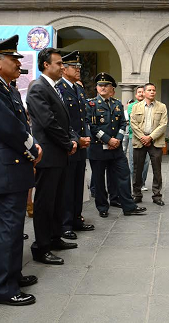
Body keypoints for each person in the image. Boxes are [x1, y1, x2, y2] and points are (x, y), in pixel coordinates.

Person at [0, 35, 42, 306]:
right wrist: (34, 148)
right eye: (14, 59)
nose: (18, 63)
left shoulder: (3, 87)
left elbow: (20, 124)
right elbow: (9, 128)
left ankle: (13, 274)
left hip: (11, 168)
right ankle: (3, 288)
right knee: (8, 230)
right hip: (4, 170)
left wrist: (31, 144)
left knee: (13, 229)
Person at [26, 48, 80, 265]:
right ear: (46, 65)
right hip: (48, 154)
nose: (62, 67)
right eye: (58, 64)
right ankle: (41, 246)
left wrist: (71, 139)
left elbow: (64, 121)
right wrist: (68, 143)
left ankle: (55, 237)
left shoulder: (54, 88)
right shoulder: (38, 88)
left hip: (60, 153)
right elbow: (48, 122)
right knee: (45, 203)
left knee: (58, 200)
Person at [85, 72, 146, 218]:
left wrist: (117, 139)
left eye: (106, 85)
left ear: (112, 88)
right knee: (99, 180)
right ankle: (102, 207)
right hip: (99, 148)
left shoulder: (117, 104)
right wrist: (108, 139)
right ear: (97, 88)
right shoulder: (91, 104)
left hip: (116, 149)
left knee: (123, 175)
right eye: (100, 85)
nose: (103, 87)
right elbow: (91, 126)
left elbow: (123, 123)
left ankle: (128, 206)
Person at [55, 51, 94, 240]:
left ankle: (77, 218)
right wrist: (77, 138)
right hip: (69, 144)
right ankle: (66, 223)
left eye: (79, 67)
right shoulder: (60, 88)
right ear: (64, 69)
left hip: (81, 145)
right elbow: (64, 120)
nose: (78, 70)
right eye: (74, 67)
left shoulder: (78, 89)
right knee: (68, 187)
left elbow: (83, 117)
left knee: (79, 184)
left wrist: (85, 137)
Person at [130, 82, 167, 206]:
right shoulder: (136, 107)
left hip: (155, 141)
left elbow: (163, 125)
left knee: (157, 170)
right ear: (144, 92)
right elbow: (133, 123)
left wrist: (150, 137)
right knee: (137, 169)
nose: (152, 92)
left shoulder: (162, 107)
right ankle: (136, 194)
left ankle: (157, 196)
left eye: (154, 90)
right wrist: (143, 137)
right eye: (149, 90)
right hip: (140, 141)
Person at [127, 85, 149, 191]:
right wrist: (142, 135)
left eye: (142, 92)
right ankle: (135, 183)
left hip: (148, 138)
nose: (140, 93)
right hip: (134, 137)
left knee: (146, 161)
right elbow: (134, 122)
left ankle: (142, 182)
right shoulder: (132, 106)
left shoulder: (149, 105)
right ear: (136, 95)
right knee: (134, 161)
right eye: (138, 92)